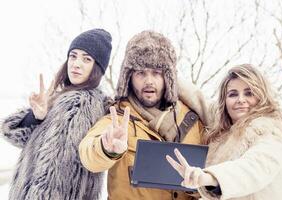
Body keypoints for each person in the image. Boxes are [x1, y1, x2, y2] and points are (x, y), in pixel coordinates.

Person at [79, 30, 208, 200]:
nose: (149, 81)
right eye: (141, 73)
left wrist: (197, 183)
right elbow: (88, 154)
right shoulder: (117, 118)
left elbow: (212, 175)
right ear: (129, 78)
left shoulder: (193, 121)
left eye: (156, 73)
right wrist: (106, 148)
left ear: (167, 78)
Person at [1, 28, 112, 200]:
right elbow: (10, 131)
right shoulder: (59, 98)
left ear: (97, 67)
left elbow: (56, 173)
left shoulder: (84, 105)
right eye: (73, 56)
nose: (76, 63)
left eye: (86, 59)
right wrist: (37, 117)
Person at [166, 64, 282, 200]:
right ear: (225, 101)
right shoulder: (225, 130)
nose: (240, 100)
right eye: (233, 94)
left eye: (249, 93)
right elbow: (198, 99)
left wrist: (210, 177)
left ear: (261, 96)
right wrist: (167, 74)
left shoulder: (272, 131)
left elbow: (252, 168)